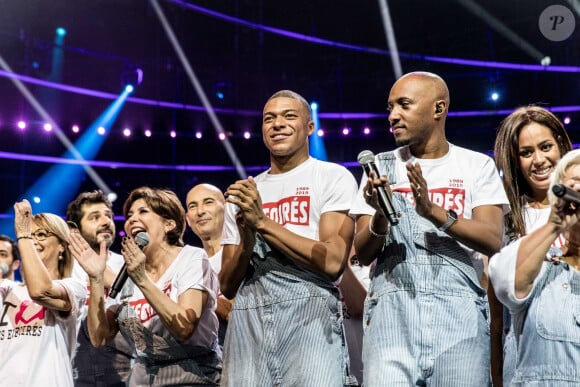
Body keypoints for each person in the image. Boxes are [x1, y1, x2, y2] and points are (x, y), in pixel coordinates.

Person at [350, 71, 509, 386]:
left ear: (439, 109)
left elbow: (492, 240)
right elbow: (362, 252)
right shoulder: (379, 166)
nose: (393, 116)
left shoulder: (476, 165)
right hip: (391, 322)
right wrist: (380, 216)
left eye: (404, 105)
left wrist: (432, 211)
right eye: (390, 107)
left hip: (458, 320)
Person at [219, 89, 359, 386]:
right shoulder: (245, 192)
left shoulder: (332, 177)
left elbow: (333, 262)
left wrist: (262, 223)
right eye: (269, 118)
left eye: (289, 116)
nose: (277, 123)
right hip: (249, 314)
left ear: (310, 127)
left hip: (309, 311)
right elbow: (227, 286)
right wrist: (247, 238)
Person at [70, 187, 221, 386]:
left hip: (193, 377)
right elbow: (99, 337)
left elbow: (184, 327)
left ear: (168, 224)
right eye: (130, 215)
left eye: (143, 212)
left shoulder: (191, 258)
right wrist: (96, 278)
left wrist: (141, 279)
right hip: (143, 379)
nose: (132, 219)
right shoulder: (128, 274)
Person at [491, 106, 572, 386]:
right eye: (526, 153)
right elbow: (496, 317)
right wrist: (497, 376)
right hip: (527, 367)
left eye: (545, 146)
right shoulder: (506, 221)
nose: (538, 160)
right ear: (515, 161)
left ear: (561, 146)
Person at [0, 200, 86, 386]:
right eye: (30, 236)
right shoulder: (7, 289)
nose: (32, 241)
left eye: (41, 235)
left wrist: (23, 235)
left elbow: (40, 291)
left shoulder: (74, 287)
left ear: (62, 246)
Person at [66, 190, 134, 386]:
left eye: (109, 216)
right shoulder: (65, 269)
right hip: (75, 372)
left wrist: (109, 278)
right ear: (75, 230)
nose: (106, 221)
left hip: (125, 373)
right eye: (95, 217)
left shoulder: (129, 263)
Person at [185, 183, 232, 349]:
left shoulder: (243, 253)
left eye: (208, 202)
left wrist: (201, 298)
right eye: (193, 206)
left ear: (226, 208)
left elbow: (238, 312)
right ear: (187, 220)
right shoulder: (188, 264)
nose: (200, 211)